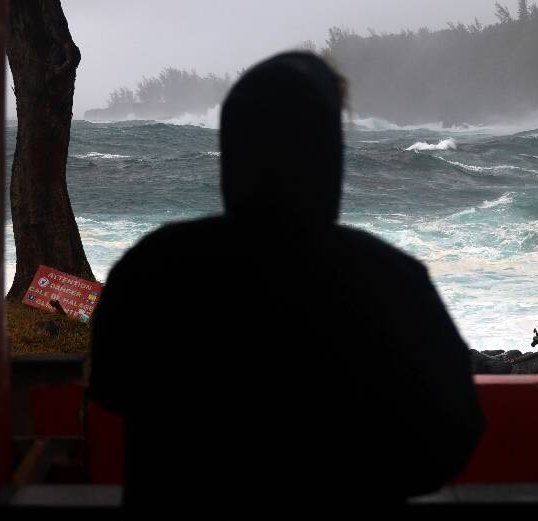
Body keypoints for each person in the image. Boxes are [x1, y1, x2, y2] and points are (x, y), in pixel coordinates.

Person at [89, 51, 484, 507]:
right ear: (327, 151)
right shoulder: (389, 280)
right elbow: (454, 432)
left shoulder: (154, 267)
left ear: (235, 146)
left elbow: (111, 391)